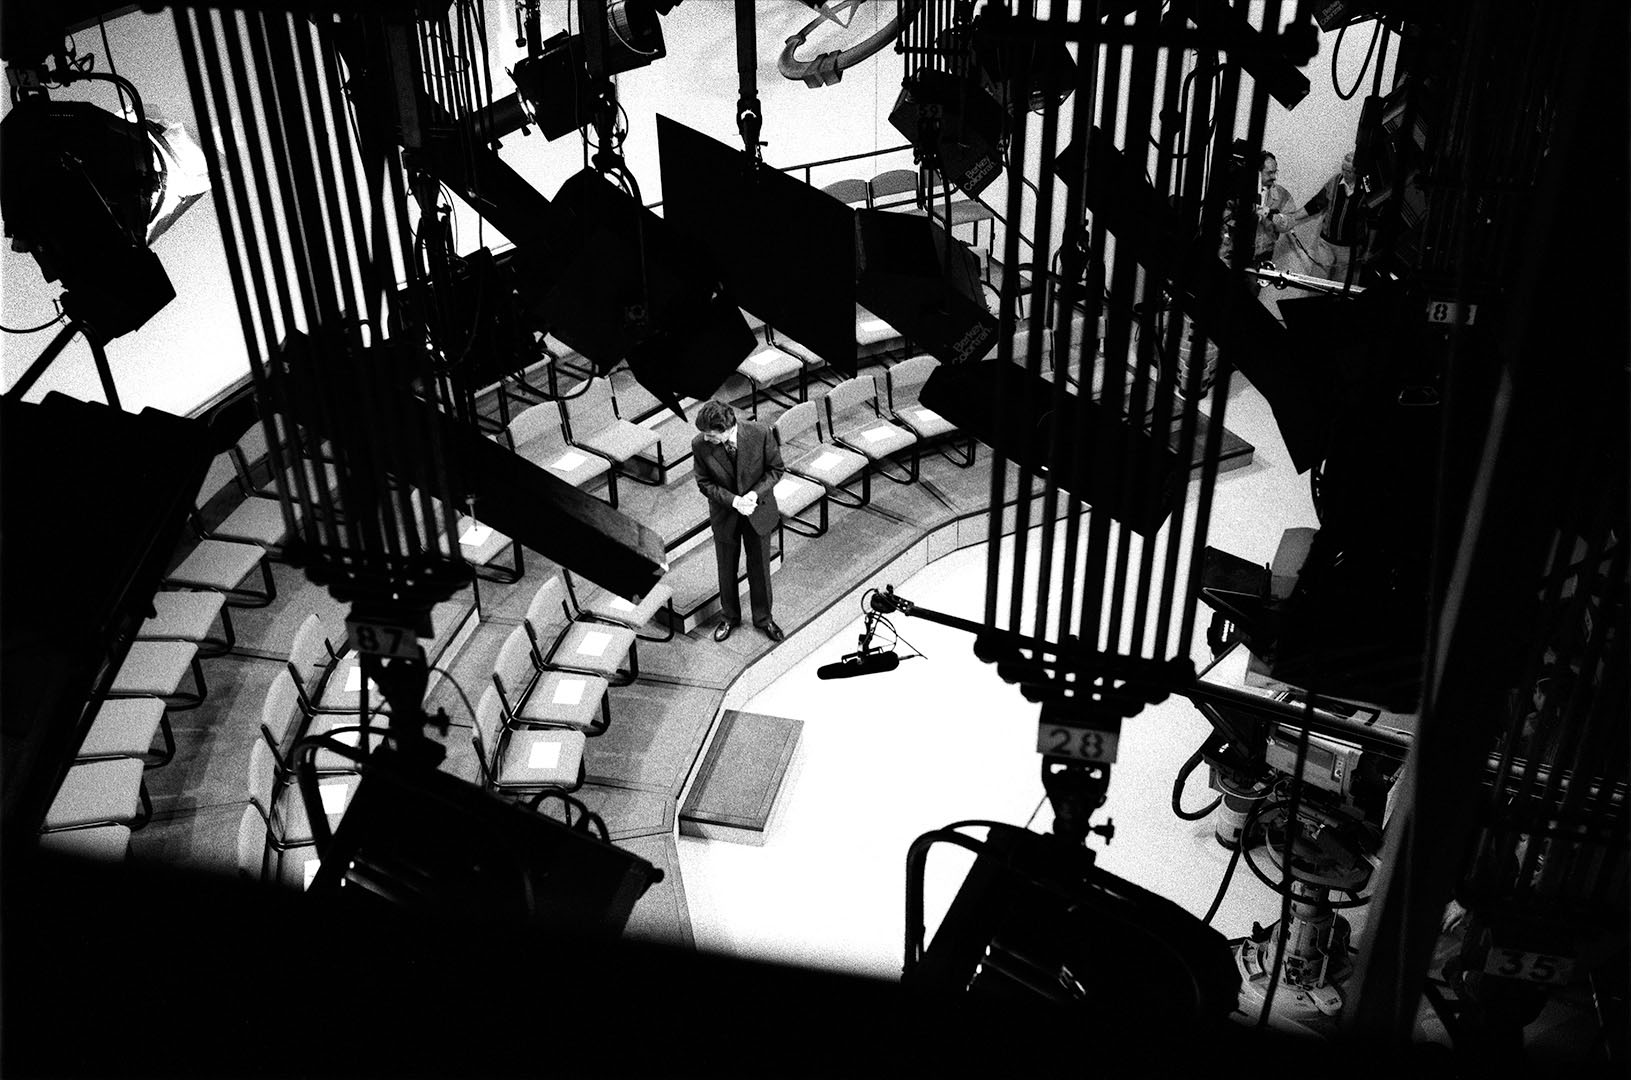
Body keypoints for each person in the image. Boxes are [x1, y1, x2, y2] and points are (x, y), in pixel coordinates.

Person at [692, 399, 785, 644]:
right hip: (726, 514)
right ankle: (729, 617)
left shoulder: (761, 433)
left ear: (728, 428)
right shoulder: (700, 445)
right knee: (726, 568)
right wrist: (734, 501)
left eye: (711, 435)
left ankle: (764, 618)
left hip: (758, 510)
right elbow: (704, 483)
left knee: (760, 569)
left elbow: (775, 469)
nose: (706, 439)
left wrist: (754, 494)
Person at [1276, 151, 1365, 282]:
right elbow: (1315, 205)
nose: (1344, 174)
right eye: (1343, 169)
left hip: (1349, 249)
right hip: (1326, 244)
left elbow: (1373, 220)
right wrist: (1292, 218)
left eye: (1349, 171)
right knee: (1317, 281)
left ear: (1357, 171)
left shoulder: (1365, 188)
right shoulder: (1335, 181)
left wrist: (1367, 249)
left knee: (1342, 287)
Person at [1253, 151, 1294, 265]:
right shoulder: (1239, 190)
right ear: (1258, 172)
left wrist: (1275, 217)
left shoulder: (1282, 195)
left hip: (1263, 255)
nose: (1274, 177)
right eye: (1269, 173)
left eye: (1275, 172)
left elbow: (1291, 221)